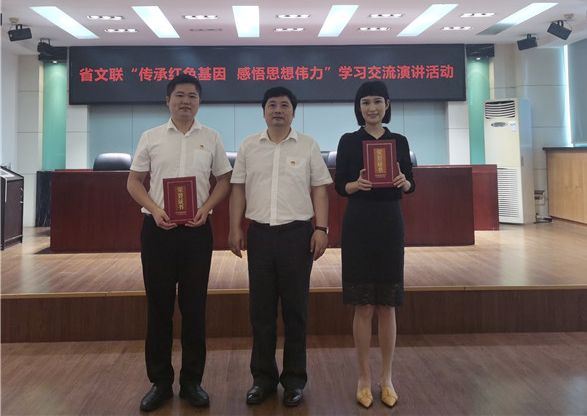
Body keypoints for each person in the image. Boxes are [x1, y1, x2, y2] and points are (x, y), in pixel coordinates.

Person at [127, 73, 232, 412]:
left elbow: (224, 180)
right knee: (158, 308)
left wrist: (206, 207)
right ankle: (160, 383)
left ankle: (191, 382)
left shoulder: (211, 137)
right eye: (179, 95)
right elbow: (134, 182)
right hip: (157, 231)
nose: (186, 101)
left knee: (194, 308)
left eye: (192, 96)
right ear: (168, 101)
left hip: (197, 232)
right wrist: (155, 209)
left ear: (199, 102)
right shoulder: (151, 137)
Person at [228, 86, 332, 408]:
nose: (277, 110)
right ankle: (263, 379)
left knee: (296, 311)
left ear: (293, 112)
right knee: (261, 312)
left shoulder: (308, 145)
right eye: (271, 105)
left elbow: (320, 189)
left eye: (284, 105)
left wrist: (321, 229)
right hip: (260, 235)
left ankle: (294, 381)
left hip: (297, 236)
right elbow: (238, 189)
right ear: (263, 112)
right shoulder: (249, 145)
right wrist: (234, 227)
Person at [334, 80, 415, 409]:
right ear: (359, 107)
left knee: (387, 305)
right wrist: (356, 184)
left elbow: (411, 184)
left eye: (377, 101)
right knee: (363, 305)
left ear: (387, 105)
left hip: (389, 223)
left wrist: (403, 181)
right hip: (358, 223)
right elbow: (340, 185)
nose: (372, 107)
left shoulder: (400, 141)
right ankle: (364, 378)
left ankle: (387, 378)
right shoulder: (348, 141)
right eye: (365, 102)